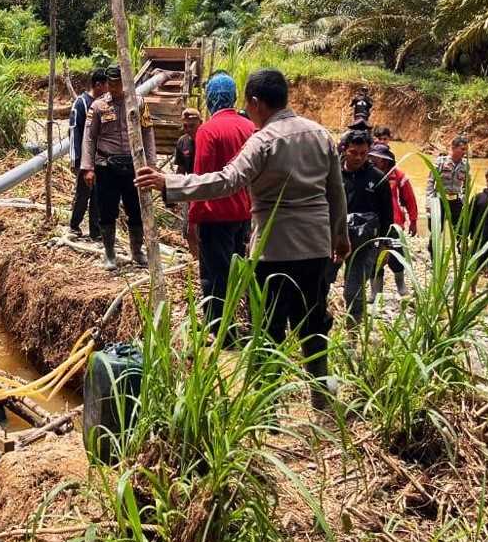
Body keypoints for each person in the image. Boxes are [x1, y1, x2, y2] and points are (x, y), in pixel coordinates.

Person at [136, 68, 348, 387]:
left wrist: (169, 183)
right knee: (313, 321)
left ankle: (266, 400)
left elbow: (227, 180)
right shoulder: (320, 134)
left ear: (256, 102)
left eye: (247, 104)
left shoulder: (262, 141)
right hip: (317, 247)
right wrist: (340, 235)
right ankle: (320, 390)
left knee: (269, 327)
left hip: (273, 251)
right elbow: (336, 191)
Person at [189, 72, 254, 329]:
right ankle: (238, 321)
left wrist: (192, 221)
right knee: (237, 271)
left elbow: (201, 180)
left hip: (215, 215)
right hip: (244, 214)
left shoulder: (208, 130)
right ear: (234, 97)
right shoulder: (249, 127)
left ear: (209, 98)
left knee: (214, 276)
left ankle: (220, 330)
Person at [81, 65, 157, 271]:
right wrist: (88, 167)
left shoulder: (139, 103)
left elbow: (148, 133)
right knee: (107, 210)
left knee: (136, 209)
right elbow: (89, 138)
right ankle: (109, 253)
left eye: (118, 84)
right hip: (106, 165)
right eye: (111, 84)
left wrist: (152, 164)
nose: (115, 88)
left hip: (134, 165)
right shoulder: (98, 106)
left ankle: (137, 251)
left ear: (126, 82)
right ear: (107, 84)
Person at [336, 133, 393, 323]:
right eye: (353, 152)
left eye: (363, 153)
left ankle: (353, 331)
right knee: (320, 283)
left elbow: (387, 214)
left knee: (353, 291)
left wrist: (385, 245)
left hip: (364, 243)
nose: (358, 158)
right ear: (344, 149)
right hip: (333, 239)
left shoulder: (377, 178)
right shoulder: (333, 174)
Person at [368, 143, 417, 300]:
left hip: (395, 224)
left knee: (397, 255)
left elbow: (410, 199)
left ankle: (401, 285)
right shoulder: (368, 174)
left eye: (376, 158)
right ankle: (375, 292)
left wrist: (413, 220)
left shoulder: (399, 176)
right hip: (373, 223)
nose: (372, 160)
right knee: (374, 257)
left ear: (386, 161)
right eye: (371, 157)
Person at [67, 69, 108, 240]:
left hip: (100, 158)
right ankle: (74, 226)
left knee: (98, 195)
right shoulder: (81, 103)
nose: (108, 88)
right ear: (98, 85)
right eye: (107, 85)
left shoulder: (103, 103)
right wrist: (77, 161)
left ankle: (95, 231)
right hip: (85, 158)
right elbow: (74, 132)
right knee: (83, 194)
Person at [426, 136, 470, 259]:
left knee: (461, 231)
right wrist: (429, 203)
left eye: (466, 149)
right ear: (453, 148)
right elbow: (430, 182)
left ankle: (463, 257)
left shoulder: (465, 165)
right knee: (436, 230)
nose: (464, 152)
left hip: (455, 201)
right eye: (462, 149)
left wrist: (464, 201)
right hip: (439, 201)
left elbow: (466, 185)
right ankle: (433, 258)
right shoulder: (440, 162)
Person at [173, 107, 202, 256]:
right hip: (190, 191)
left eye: (192, 126)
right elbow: (180, 170)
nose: (188, 129)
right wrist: (173, 194)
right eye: (185, 126)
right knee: (188, 229)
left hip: (207, 189)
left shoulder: (207, 139)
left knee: (204, 229)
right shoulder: (182, 142)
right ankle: (196, 260)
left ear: (200, 123)